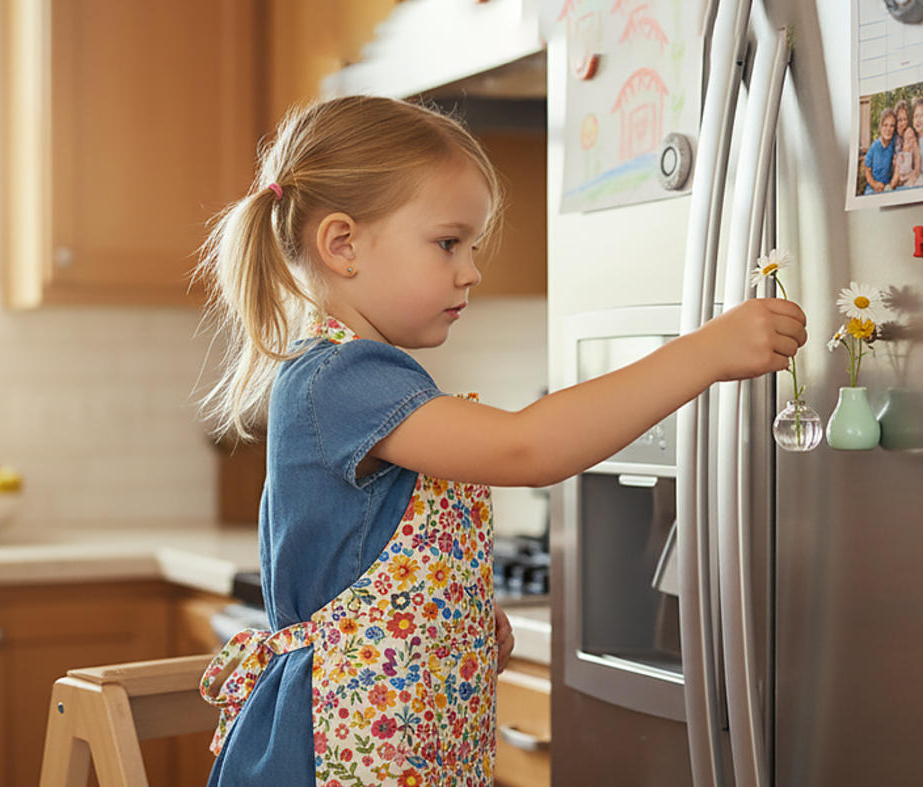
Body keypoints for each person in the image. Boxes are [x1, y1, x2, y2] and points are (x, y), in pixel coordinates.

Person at [193, 95, 808, 786]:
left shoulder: (365, 372)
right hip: (332, 750)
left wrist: (457, 618)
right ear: (343, 244)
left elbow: (374, 561)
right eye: (449, 242)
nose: (472, 271)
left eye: (473, 246)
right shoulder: (342, 375)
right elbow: (527, 448)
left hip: (387, 735)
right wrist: (705, 353)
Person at [861, 106, 898, 193]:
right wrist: (874, 184)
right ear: (880, 127)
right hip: (873, 187)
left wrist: (890, 185)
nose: (888, 129)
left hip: (887, 187)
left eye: (892, 126)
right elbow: (867, 171)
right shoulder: (874, 147)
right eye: (885, 125)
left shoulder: (894, 144)